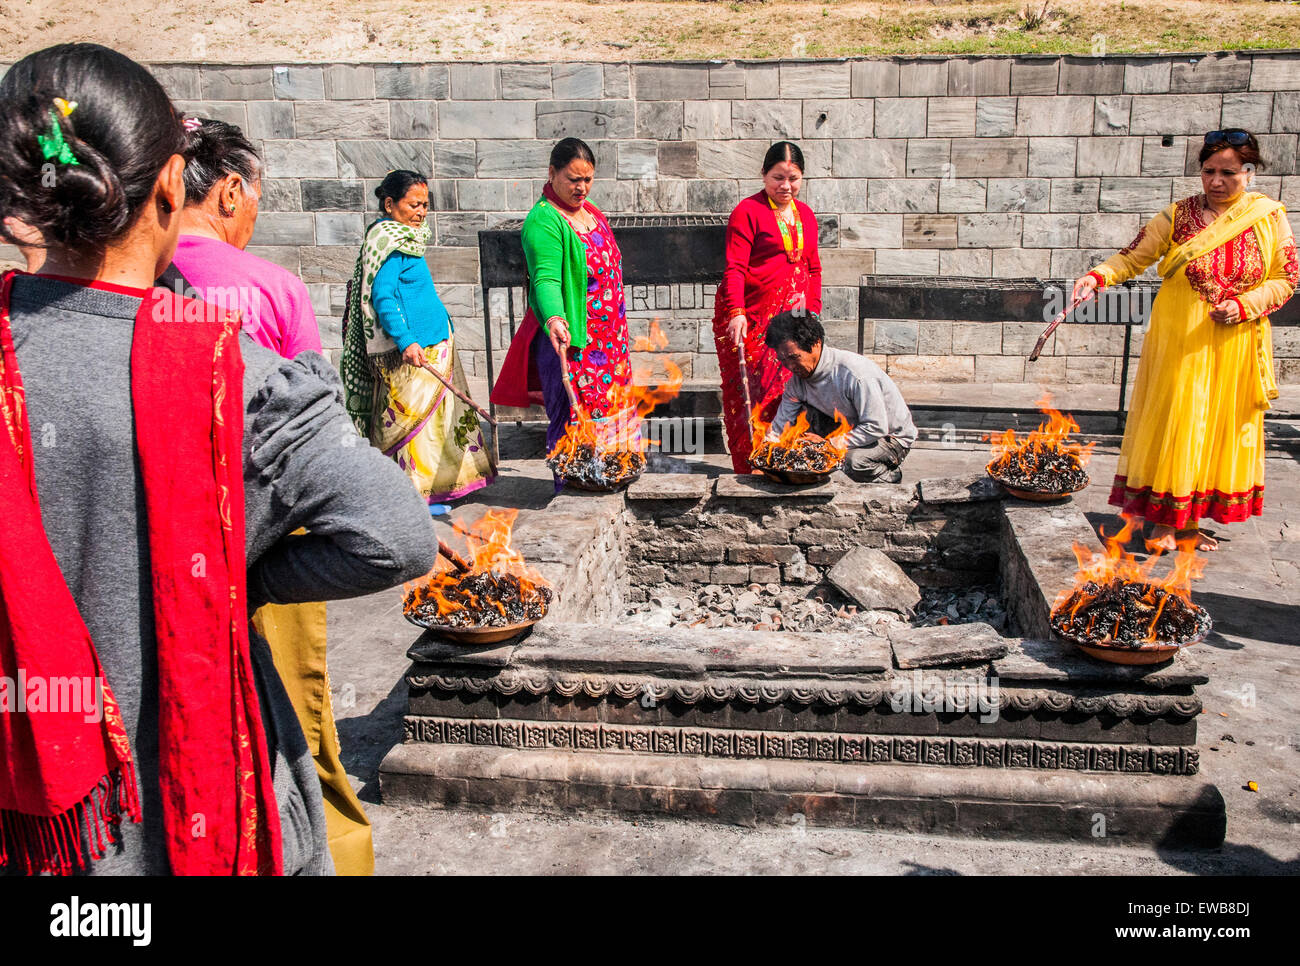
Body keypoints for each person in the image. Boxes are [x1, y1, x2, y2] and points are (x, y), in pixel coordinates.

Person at [0, 43, 437, 875]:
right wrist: (249, 572)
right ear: (172, 185)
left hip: (35, 832)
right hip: (194, 814)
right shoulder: (230, 378)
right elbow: (397, 535)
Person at [168, 119, 370, 875]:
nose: (255, 214)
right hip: (268, 536)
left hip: (157, 546)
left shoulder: (124, 282)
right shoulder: (271, 288)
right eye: (256, 197)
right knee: (298, 720)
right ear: (228, 192)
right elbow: (325, 438)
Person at [1073, 129, 1298, 552]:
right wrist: (1097, 276)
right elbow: (1133, 256)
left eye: (1227, 173)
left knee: (1216, 428)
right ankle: (1161, 522)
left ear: (1248, 173)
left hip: (1234, 345)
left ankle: (1189, 521)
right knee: (1179, 423)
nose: (1216, 181)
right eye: (1208, 171)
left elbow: (1285, 278)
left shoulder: (1268, 217)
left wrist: (1244, 304)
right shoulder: (1178, 216)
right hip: (1180, 342)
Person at [341, 169, 494, 502]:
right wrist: (406, 340)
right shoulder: (389, 242)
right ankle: (410, 496)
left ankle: (442, 488)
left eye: (425, 205)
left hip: (434, 340)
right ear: (389, 203)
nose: (421, 212)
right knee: (412, 427)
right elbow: (382, 296)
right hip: (414, 350)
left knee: (439, 424)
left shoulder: (407, 237)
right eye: (414, 205)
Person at [489, 137, 631, 465]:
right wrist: (554, 317)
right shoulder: (544, 220)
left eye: (588, 180)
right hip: (573, 343)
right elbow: (545, 278)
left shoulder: (589, 211)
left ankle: (608, 480)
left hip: (610, 346)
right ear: (552, 173)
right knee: (572, 420)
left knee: (610, 416)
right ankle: (569, 491)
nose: (582, 188)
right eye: (573, 180)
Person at [164, 118, 322, 359]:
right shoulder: (278, 289)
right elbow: (314, 390)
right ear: (231, 192)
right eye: (256, 199)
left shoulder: (127, 274)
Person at [713, 141, 823, 474]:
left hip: (789, 323)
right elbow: (735, 268)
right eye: (778, 177)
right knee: (750, 396)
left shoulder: (805, 215)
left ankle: (783, 462)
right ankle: (749, 468)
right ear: (763, 174)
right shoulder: (747, 212)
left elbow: (813, 268)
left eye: (793, 178)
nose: (785, 186)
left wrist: (811, 313)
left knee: (788, 393)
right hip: (750, 320)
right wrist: (736, 312)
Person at [763, 310, 916, 484]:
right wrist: (766, 455)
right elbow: (780, 427)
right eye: (783, 360)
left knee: (852, 461)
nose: (790, 366)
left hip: (889, 437)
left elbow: (876, 427)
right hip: (844, 426)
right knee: (795, 444)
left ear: (816, 343)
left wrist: (827, 445)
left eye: (794, 357)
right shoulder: (795, 384)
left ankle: (888, 477)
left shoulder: (855, 374)